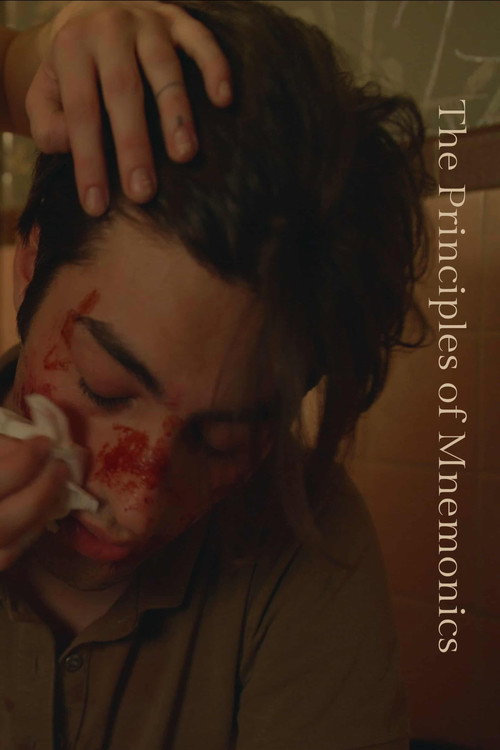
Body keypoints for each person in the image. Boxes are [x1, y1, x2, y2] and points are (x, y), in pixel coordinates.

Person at [0, 2, 433, 748]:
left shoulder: (303, 538)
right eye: (106, 387)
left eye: (224, 441)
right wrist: (18, 63)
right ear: (30, 263)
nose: (134, 510)